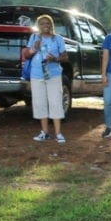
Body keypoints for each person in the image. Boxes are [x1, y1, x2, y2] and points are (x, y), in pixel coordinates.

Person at [24, 14, 68, 143]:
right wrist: (34, 48)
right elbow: (26, 55)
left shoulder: (58, 39)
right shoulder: (34, 37)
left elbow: (65, 57)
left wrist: (54, 58)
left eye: (48, 23)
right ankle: (44, 132)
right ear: (38, 26)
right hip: (37, 74)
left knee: (55, 102)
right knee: (39, 102)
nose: (45, 26)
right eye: (42, 23)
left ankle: (58, 133)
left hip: (53, 74)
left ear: (51, 25)